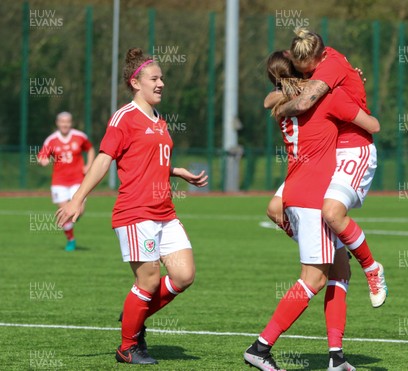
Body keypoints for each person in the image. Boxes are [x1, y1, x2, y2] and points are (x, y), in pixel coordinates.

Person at [56, 48, 208, 364]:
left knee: (184, 276)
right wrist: (77, 198)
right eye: (154, 78)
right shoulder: (124, 117)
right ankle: (128, 346)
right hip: (135, 212)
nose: (161, 83)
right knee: (149, 280)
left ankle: (132, 316)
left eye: (162, 77)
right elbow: (103, 159)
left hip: (165, 211)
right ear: (135, 82)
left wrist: (177, 171)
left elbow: (148, 160)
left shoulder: (160, 120)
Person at [244, 51, 379, 371]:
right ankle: (260, 347)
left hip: (296, 189)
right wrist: (350, 86)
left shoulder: (281, 106)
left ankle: (336, 357)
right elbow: (373, 124)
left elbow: (270, 99)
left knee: (339, 269)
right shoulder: (325, 100)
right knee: (314, 279)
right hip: (313, 197)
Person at [265, 28, 387, 308]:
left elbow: (307, 100)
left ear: (318, 59)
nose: (302, 72)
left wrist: (282, 108)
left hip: (353, 148)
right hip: (322, 155)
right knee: (274, 209)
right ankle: (326, 248)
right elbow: (269, 99)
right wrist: (284, 94)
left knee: (332, 212)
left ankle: (371, 268)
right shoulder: (317, 73)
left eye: (306, 69)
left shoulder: (329, 75)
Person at [37, 112, 95, 251]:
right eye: (62, 122)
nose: (65, 124)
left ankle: (71, 223)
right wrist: (42, 161)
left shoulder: (80, 136)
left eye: (67, 121)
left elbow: (91, 149)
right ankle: (71, 240)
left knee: (79, 211)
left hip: (78, 180)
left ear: (71, 122)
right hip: (59, 182)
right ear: (57, 123)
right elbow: (41, 156)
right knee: (65, 213)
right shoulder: (51, 140)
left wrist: (89, 165)